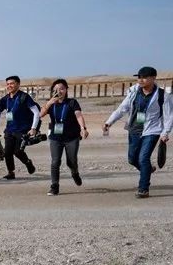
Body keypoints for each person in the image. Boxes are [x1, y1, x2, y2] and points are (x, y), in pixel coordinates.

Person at [103, 66, 172, 198]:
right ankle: (147, 170)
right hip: (134, 129)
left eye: (144, 77)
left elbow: (169, 116)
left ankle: (143, 188)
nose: (141, 80)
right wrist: (109, 122)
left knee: (143, 158)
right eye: (139, 77)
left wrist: (165, 133)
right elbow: (122, 108)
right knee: (132, 159)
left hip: (152, 130)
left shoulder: (163, 95)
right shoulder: (134, 92)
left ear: (153, 78)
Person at [39, 79, 89, 196]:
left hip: (72, 137)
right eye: (56, 89)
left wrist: (83, 128)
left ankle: (74, 172)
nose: (59, 91)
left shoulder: (72, 102)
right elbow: (40, 115)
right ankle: (54, 186)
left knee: (71, 161)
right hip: (55, 138)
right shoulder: (51, 104)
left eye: (61, 88)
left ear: (66, 90)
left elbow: (78, 115)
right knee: (55, 162)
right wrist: (49, 103)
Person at [0, 75, 41, 180]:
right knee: (7, 152)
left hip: (23, 130)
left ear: (18, 84)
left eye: (12, 83)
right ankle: (11, 172)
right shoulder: (5, 99)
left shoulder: (24, 97)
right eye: (7, 84)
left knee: (18, 152)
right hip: (9, 130)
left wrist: (33, 128)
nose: (9, 86)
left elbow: (36, 112)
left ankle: (28, 163)